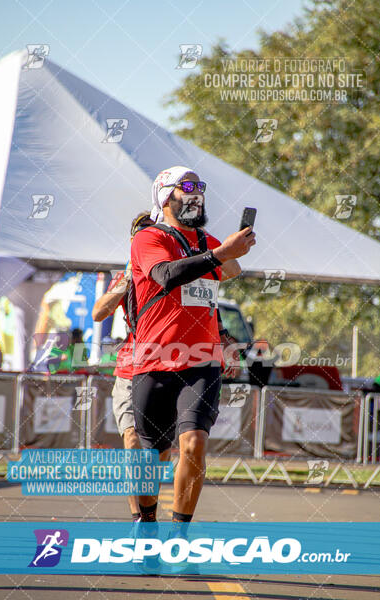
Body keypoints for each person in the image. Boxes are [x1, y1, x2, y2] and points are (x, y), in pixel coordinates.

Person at [130, 166, 255, 525]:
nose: (197, 193)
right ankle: (147, 521)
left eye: (200, 187)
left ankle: (180, 535)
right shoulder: (148, 238)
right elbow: (166, 275)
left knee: (194, 442)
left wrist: (224, 337)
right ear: (165, 197)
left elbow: (221, 280)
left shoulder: (206, 241)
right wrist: (219, 256)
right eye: (187, 187)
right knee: (153, 455)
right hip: (155, 358)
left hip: (201, 360)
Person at [92, 211, 154, 522]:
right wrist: (128, 277)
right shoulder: (128, 275)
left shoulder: (171, 271)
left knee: (157, 451)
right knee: (131, 439)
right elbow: (98, 313)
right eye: (139, 235)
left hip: (169, 367)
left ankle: (152, 513)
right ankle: (138, 518)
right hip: (132, 366)